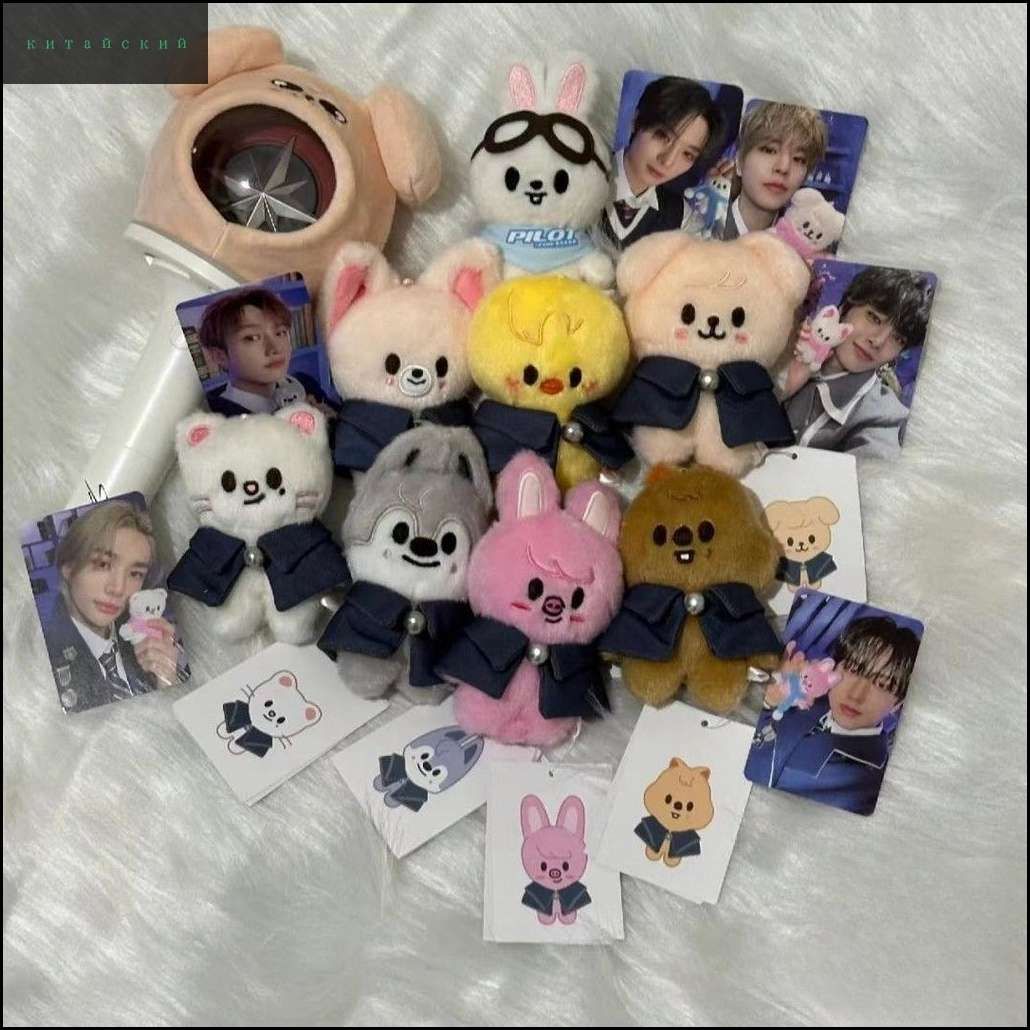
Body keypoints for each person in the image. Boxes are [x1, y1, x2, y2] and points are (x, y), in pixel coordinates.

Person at [744, 616, 921, 815]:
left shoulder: (863, 784)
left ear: (898, 704)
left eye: (882, 684)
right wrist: (771, 698)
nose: (856, 695)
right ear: (833, 666)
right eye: (853, 669)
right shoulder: (806, 696)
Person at [44, 500, 181, 713]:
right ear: (68, 568)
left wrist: (167, 679)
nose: (118, 588)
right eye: (103, 564)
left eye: (135, 573)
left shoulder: (143, 636)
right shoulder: (43, 661)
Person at [783, 266, 934, 458]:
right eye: (874, 318)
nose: (878, 341)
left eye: (898, 339)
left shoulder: (881, 418)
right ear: (845, 307)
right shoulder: (786, 346)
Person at [597, 76, 726, 252]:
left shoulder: (681, 217)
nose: (667, 161)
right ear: (636, 121)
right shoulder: (585, 171)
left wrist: (724, 203)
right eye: (662, 136)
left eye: (687, 154)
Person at [198, 288, 326, 417]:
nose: (275, 348)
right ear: (219, 356)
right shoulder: (218, 418)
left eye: (280, 333)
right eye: (252, 338)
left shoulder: (304, 384)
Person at [723, 101, 828, 240]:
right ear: (739, 161)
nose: (783, 168)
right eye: (769, 150)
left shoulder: (807, 242)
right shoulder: (701, 227)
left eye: (799, 159)